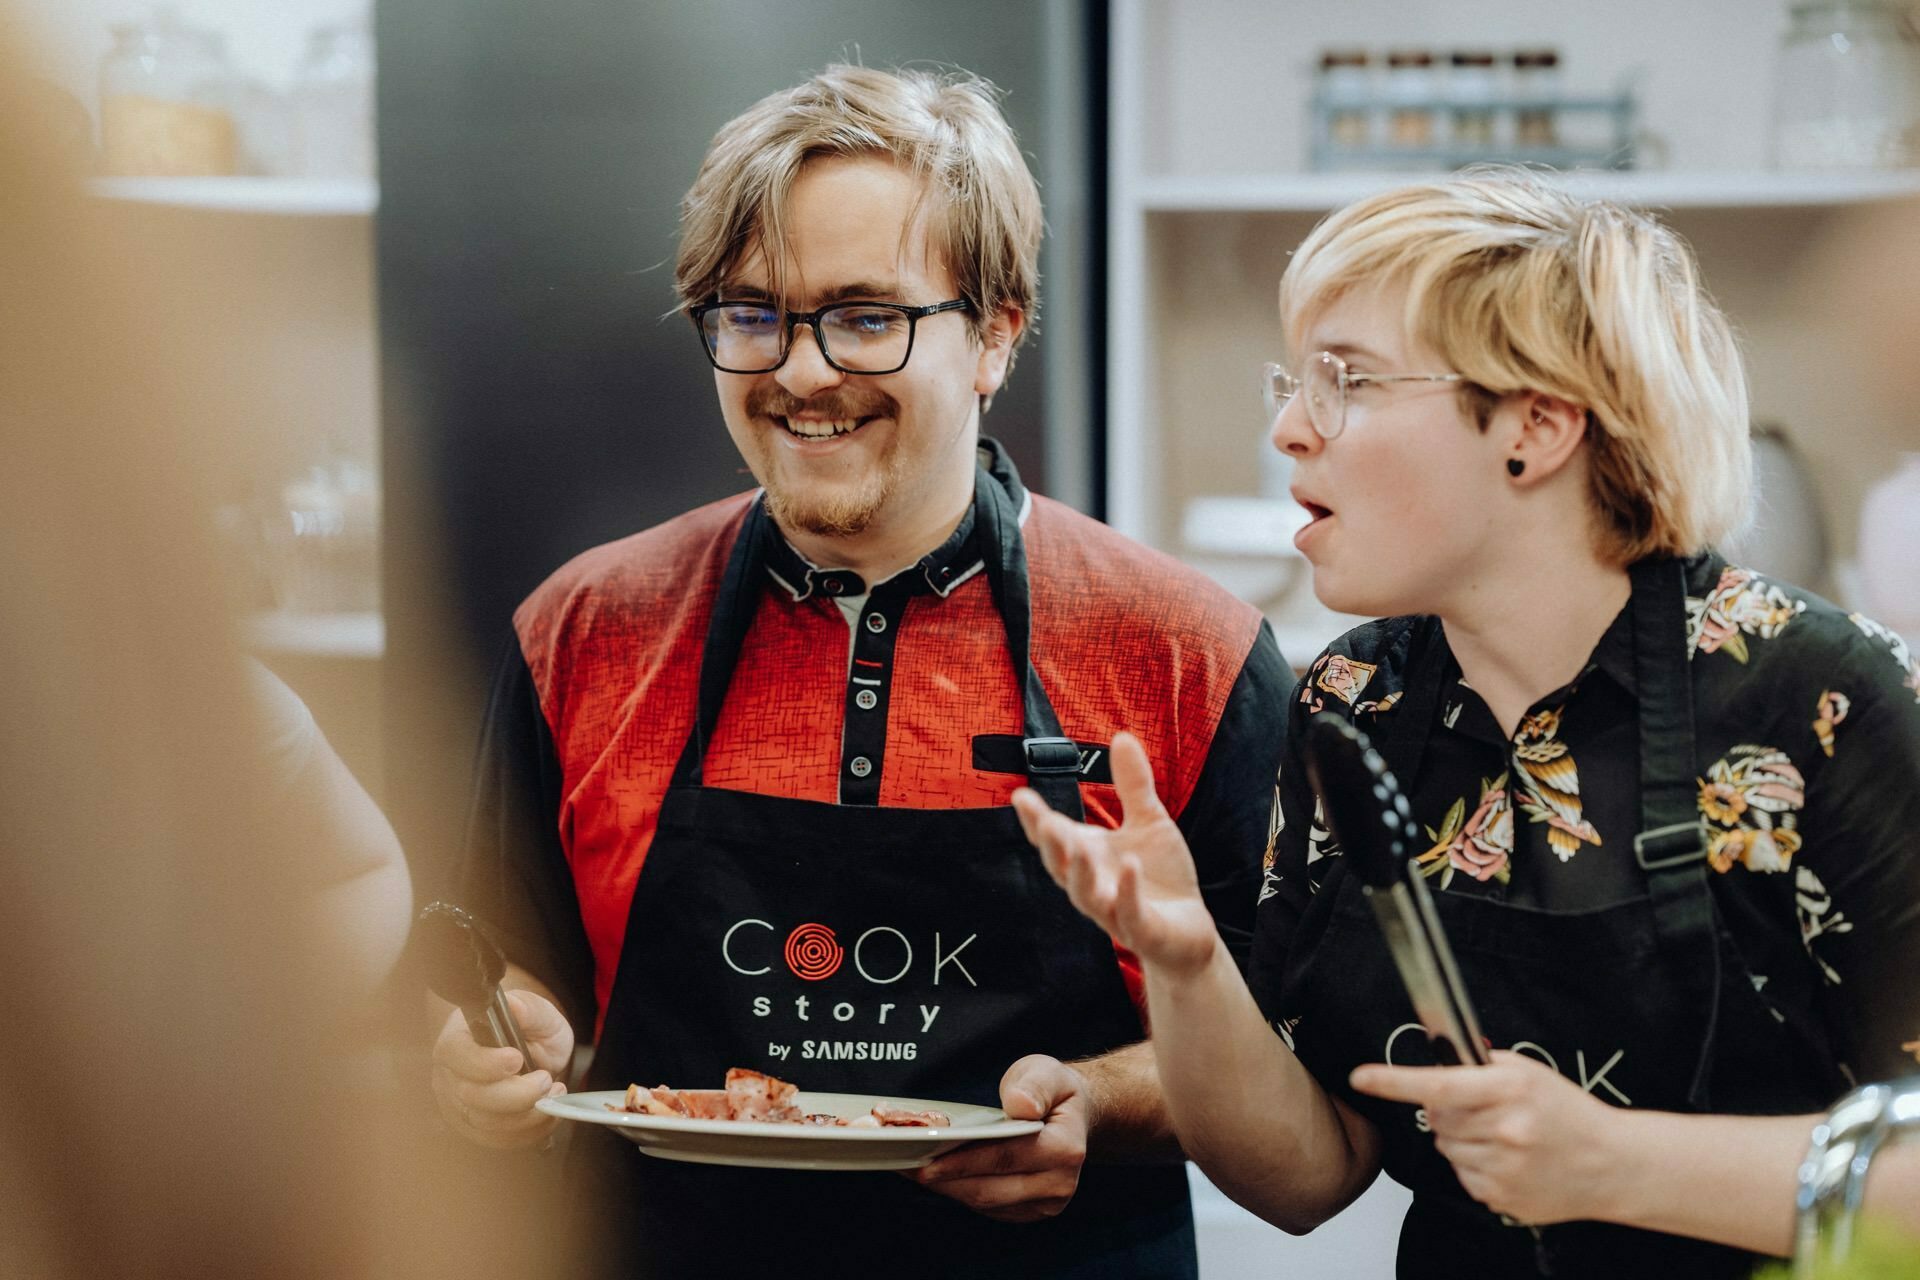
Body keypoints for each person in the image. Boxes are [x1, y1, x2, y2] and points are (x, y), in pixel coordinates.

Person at [431, 64, 1290, 1277]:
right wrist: (493, 1049)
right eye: (751, 313)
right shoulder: (582, 629)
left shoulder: (1186, 651)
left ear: (995, 334)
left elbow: (1288, 1054)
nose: (800, 371)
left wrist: (1099, 1098)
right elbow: (505, 964)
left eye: (866, 314)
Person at [1014, 170, 1920, 1278]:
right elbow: (1309, 1172)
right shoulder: (1355, 703)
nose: (1291, 429)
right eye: (1295, 380)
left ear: (1535, 426)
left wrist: (1610, 1159)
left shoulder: (1822, 701)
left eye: (1345, 379)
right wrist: (1187, 959)